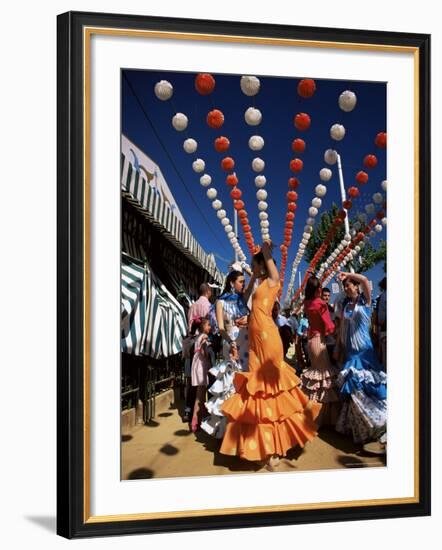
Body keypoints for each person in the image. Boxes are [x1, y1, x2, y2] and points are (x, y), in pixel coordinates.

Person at [219, 241, 321, 468]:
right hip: (255, 343)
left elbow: (270, 266)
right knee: (257, 392)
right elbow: (245, 300)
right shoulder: (259, 283)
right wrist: (254, 275)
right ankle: (262, 445)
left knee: (273, 391)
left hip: (269, 339)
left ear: (265, 264)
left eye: (259, 265)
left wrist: (265, 252)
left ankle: (275, 447)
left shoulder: (273, 281)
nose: (257, 268)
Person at [334, 272, 387, 446]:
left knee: (369, 390)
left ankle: (380, 423)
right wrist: (339, 347)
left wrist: (348, 274)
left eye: (349, 284)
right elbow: (342, 329)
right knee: (354, 392)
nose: (346, 287)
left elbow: (364, 280)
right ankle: (362, 428)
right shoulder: (346, 305)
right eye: (345, 286)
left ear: (356, 286)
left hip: (365, 353)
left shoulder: (366, 301)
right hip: (351, 353)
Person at [201, 270, 251, 439]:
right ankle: (230, 431)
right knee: (232, 385)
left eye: (244, 282)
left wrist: (250, 271)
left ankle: (245, 427)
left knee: (245, 384)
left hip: (246, 346)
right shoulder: (220, 302)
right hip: (232, 346)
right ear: (231, 283)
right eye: (241, 281)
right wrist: (231, 343)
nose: (243, 284)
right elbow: (221, 328)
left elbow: (255, 284)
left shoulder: (242, 299)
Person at [301, 277, 341, 427]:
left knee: (316, 377)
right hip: (320, 341)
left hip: (311, 341)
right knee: (324, 378)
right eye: (320, 287)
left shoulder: (307, 303)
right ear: (318, 289)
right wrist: (338, 329)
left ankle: (313, 413)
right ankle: (322, 418)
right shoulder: (320, 303)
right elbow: (329, 326)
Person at [190, 317, 213, 433]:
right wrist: (208, 358)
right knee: (200, 396)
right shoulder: (204, 337)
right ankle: (195, 421)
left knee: (200, 395)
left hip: (197, 366)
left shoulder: (197, 337)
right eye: (208, 325)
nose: (210, 327)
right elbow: (204, 352)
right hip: (201, 367)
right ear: (203, 327)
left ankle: (202, 419)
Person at [322, 287, 337, 365]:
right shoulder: (318, 308)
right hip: (321, 341)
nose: (327, 297)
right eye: (325, 295)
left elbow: (335, 323)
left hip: (331, 341)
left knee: (333, 365)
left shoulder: (332, 309)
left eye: (328, 296)